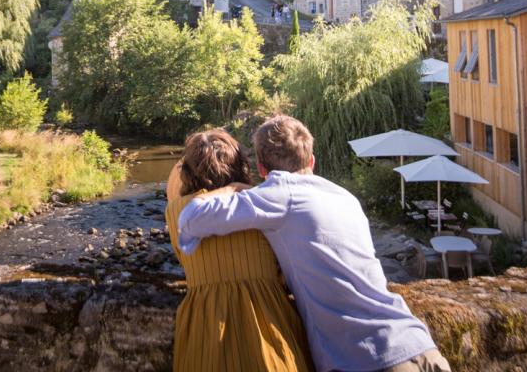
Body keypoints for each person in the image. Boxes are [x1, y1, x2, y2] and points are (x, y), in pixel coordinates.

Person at [177, 115, 450, 372]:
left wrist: (234, 187)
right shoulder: (344, 196)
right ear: (312, 160)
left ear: (262, 169)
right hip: (420, 346)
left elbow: (191, 219)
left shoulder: (279, 195)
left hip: (365, 358)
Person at [166, 129, 312, 372]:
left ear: (188, 171)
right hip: (270, 320)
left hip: (205, 327)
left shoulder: (176, 212)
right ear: (240, 165)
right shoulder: (263, 202)